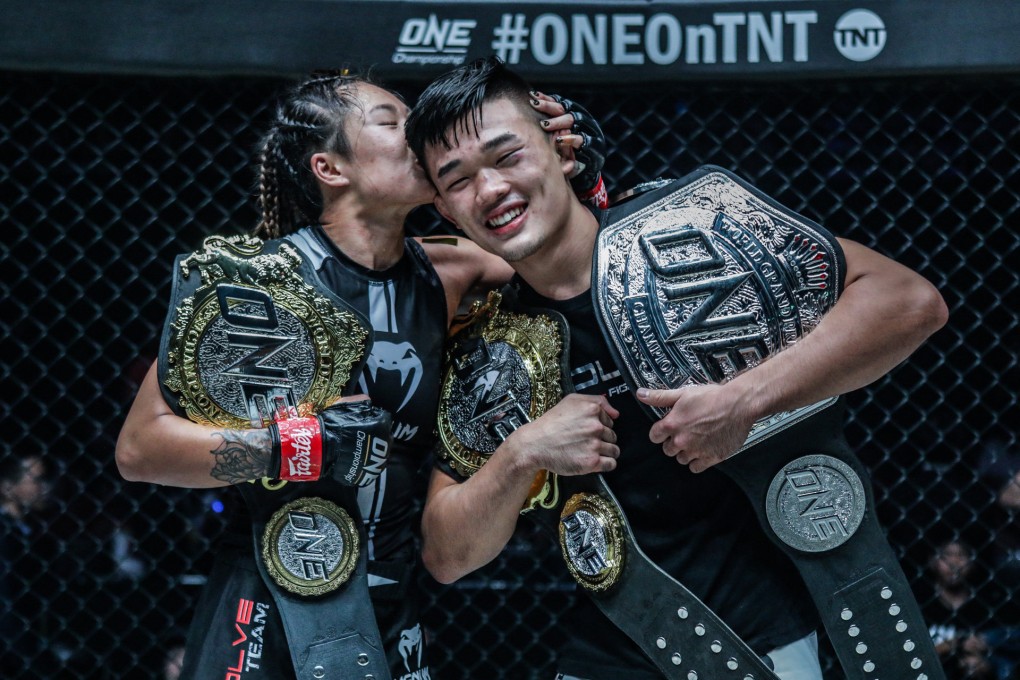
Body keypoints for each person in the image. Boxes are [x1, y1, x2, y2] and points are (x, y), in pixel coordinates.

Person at [405, 56, 950, 680]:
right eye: (460, 180)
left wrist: (745, 400)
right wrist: (522, 451)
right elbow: (447, 553)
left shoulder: (689, 228)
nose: (491, 190)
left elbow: (909, 303)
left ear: (560, 148)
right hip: (612, 647)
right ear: (447, 211)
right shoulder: (492, 350)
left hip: (765, 640)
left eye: (508, 156)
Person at [115, 70, 595, 679]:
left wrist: (563, 158)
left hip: (392, 597)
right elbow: (140, 449)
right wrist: (291, 449)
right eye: (393, 122)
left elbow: (575, 253)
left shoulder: (451, 269)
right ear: (331, 169)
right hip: (270, 599)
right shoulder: (262, 285)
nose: (416, 132)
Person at [0, 454, 58, 675]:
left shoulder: (31, 533)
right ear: (7, 487)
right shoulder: (5, 535)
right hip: (13, 652)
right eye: (36, 480)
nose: (45, 487)